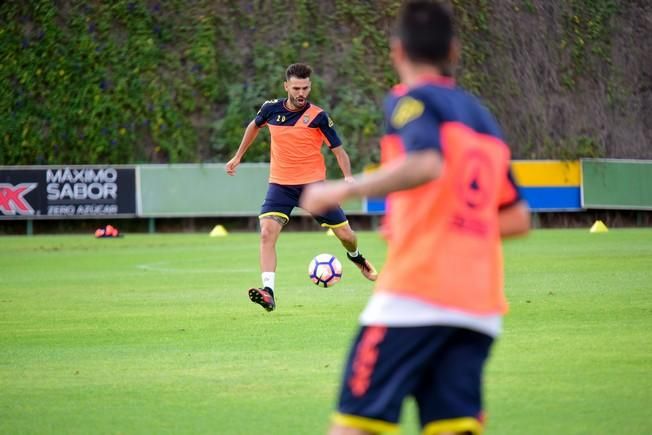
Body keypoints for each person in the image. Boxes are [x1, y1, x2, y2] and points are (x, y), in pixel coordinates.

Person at [300, 2, 531, 434]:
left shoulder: (409, 99)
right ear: (454, 52)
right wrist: (450, 224)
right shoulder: (484, 119)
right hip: (478, 306)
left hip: (416, 293)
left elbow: (426, 163)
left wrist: (342, 188)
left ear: (398, 51)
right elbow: (517, 217)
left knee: (355, 424)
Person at [225, 63, 378, 313]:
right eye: (296, 87)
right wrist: (238, 156)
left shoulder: (319, 116)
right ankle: (269, 292)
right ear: (286, 86)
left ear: (310, 86)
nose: (301, 93)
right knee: (266, 233)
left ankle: (357, 258)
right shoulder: (270, 109)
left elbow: (339, 151)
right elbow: (253, 126)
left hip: (313, 188)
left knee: (347, 237)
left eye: (305, 88)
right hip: (280, 186)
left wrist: (348, 176)